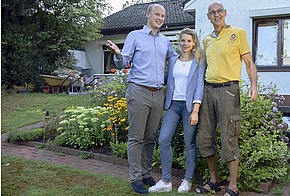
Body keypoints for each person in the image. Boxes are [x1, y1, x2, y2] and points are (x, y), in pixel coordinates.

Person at [106, 4, 177, 195]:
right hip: (139, 91)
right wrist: (117, 54)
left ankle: (146, 174)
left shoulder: (165, 41)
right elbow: (124, 62)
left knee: (150, 138)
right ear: (148, 15)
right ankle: (135, 178)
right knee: (136, 138)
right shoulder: (134, 36)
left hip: (158, 94)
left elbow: (177, 60)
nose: (160, 18)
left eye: (163, 15)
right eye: (157, 14)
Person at [194, 2, 258, 196]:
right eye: (212, 12)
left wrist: (253, 85)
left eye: (219, 11)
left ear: (225, 13)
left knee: (229, 137)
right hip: (208, 91)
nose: (216, 15)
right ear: (208, 16)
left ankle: (232, 186)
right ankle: (213, 180)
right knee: (205, 138)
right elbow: (200, 67)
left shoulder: (237, 33)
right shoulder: (206, 40)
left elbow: (249, 63)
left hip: (229, 91)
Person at [148, 28, 205, 193]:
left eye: (189, 41)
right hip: (173, 105)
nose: (185, 44)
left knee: (190, 144)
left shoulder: (198, 61)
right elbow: (167, 80)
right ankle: (166, 181)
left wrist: (195, 110)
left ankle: (187, 180)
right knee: (163, 140)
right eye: (183, 40)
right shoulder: (173, 60)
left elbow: (199, 87)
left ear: (194, 43)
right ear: (179, 42)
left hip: (189, 107)